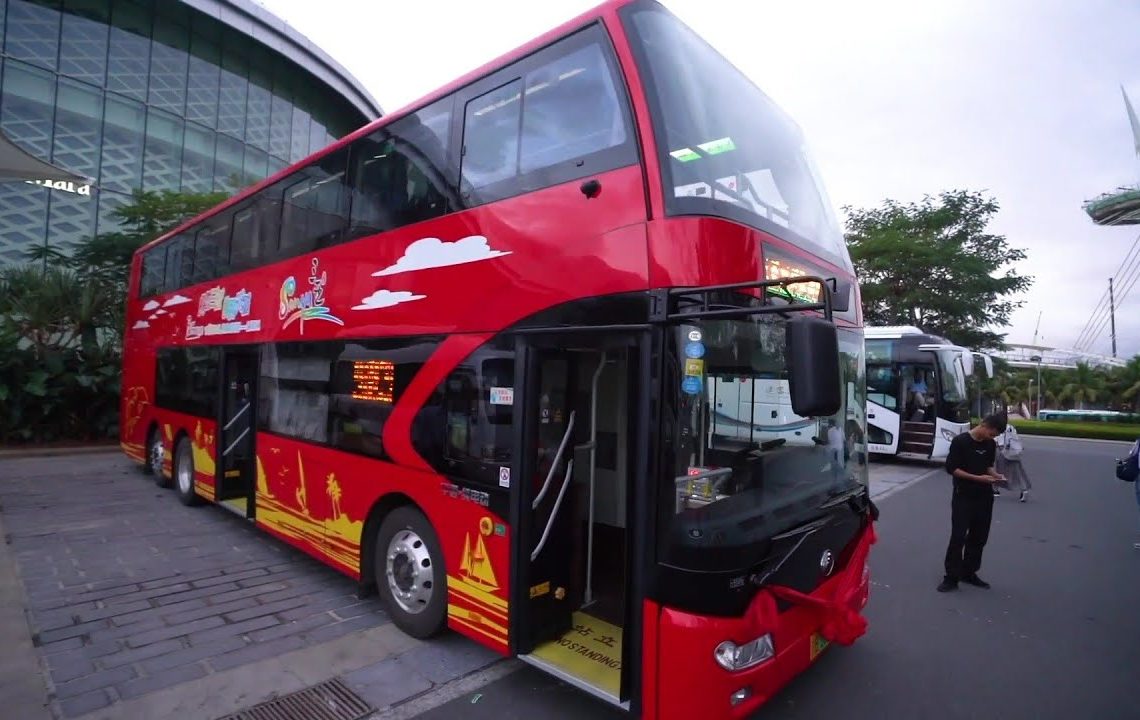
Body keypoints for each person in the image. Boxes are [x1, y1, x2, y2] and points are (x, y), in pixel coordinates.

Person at [938, 413, 1006, 593]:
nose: (992, 438)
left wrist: (996, 476)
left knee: (979, 537)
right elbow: (952, 469)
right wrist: (977, 478)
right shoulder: (960, 441)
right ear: (984, 425)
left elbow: (988, 466)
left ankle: (968, 572)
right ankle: (951, 577)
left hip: (984, 496)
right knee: (958, 536)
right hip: (963, 495)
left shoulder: (990, 444)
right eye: (991, 434)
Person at [994, 422, 1031, 502]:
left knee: (997, 469)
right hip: (1013, 452)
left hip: (1001, 450)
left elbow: (995, 439)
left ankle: (995, 489)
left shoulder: (996, 426)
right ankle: (1024, 489)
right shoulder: (1010, 427)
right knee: (1017, 471)